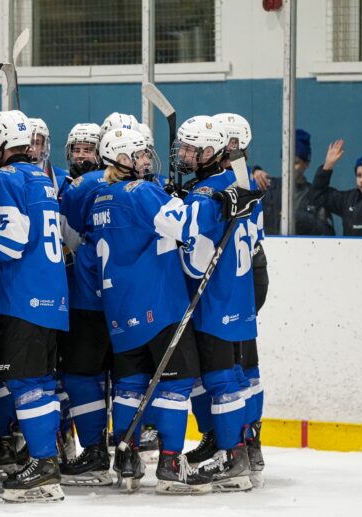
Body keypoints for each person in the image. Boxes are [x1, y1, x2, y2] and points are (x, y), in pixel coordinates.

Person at [89, 127, 254, 494]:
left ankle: (127, 458)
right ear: (125, 159)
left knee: (129, 384)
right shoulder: (145, 191)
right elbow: (182, 227)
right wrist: (212, 204)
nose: (149, 161)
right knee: (178, 382)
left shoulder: (101, 196)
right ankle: (171, 460)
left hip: (119, 309)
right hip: (159, 304)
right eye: (142, 155)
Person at [0, 110, 68, 503]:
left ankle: (44, 465)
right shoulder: (41, 177)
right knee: (43, 383)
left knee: (25, 383)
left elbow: (12, 240)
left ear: (0, 144)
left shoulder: (5, 177)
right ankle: (45, 459)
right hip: (52, 296)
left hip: (23, 297)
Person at [174, 115, 262, 492]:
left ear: (213, 152)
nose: (185, 155)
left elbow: (195, 261)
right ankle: (243, 450)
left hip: (214, 298)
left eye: (193, 149)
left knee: (220, 379)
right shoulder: (240, 185)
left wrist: (176, 227)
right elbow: (255, 236)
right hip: (240, 294)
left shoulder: (206, 195)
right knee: (238, 376)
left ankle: (232, 456)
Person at [56, 126, 114, 487]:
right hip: (120, 300)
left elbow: (69, 241)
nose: (81, 156)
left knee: (82, 375)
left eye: (88, 150)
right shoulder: (141, 187)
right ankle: (125, 451)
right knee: (119, 378)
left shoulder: (77, 189)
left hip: (92, 299)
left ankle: (99, 450)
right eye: (75, 149)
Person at [254, 129, 335, 235]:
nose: (289, 167)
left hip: (304, 250)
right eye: (286, 161)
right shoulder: (268, 187)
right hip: (269, 249)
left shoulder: (314, 195)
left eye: (295, 162)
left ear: (306, 164)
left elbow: (328, 233)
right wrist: (252, 171)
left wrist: (297, 217)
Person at [309, 141, 362, 237]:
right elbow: (317, 196)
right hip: (351, 251)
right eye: (359, 175)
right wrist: (327, 166)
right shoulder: (347, 199)